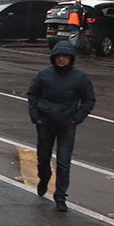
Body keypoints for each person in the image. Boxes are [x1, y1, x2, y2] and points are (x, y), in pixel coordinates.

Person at [26, 40, 96, 211]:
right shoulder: (44, 74)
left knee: (64, 162)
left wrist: (77, 118)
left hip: (67, 124)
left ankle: (60, 196)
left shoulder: (79, 77)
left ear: (71, 58)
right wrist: (36, 116)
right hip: (45, 123)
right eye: (59, 56)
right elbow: (32, 94)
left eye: (65, 56)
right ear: (54, 57)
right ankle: (44, 177)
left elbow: (89, 100)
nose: (61, 59)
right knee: (43, 157)